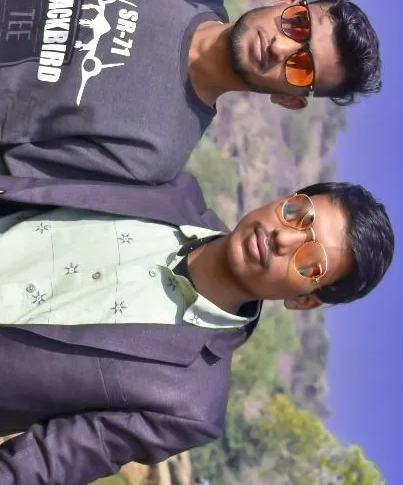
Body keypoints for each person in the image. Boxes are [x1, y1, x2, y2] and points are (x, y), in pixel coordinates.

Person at [0, 171, 394, 484]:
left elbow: (37, 468)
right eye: (297, 214)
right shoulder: (168, 186)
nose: (282, 237)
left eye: (310, 260)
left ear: (305, 299)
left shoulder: (188, 403)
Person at [0, 0, 381, 182]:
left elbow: (14, 172)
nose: (282, 47)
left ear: (289, 100)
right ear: (285, 0)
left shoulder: (154, 154)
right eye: (298, 24)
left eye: (302, 67)